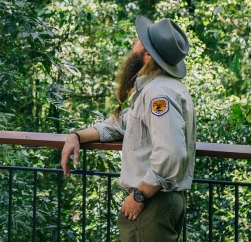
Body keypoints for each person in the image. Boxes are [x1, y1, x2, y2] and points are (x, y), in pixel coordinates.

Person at [60, 16, 196, 242]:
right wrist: (77, 136)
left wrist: (140, 195)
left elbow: (171, 152)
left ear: (148, 55)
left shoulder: (158, 94)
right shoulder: (159, 88)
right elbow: (123, 124)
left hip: (154, 201)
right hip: (161, 200)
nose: (134, 41)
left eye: (139, 41)